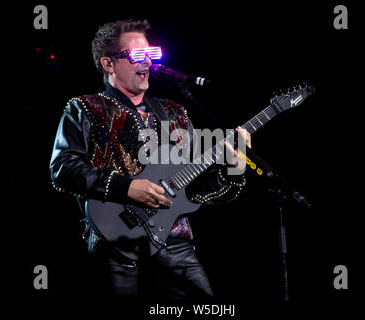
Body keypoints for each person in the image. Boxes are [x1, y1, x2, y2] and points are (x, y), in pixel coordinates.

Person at [49, 19, 251, 302]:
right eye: (137, 55)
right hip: (115, 244)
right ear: (108, 64)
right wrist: (126, 188)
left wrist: (234, 167)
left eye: (151, 54)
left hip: (175, 242)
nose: (148, 63)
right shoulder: (85, 108)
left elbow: (199, 191)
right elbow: (62, 169)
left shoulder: (175, 113)